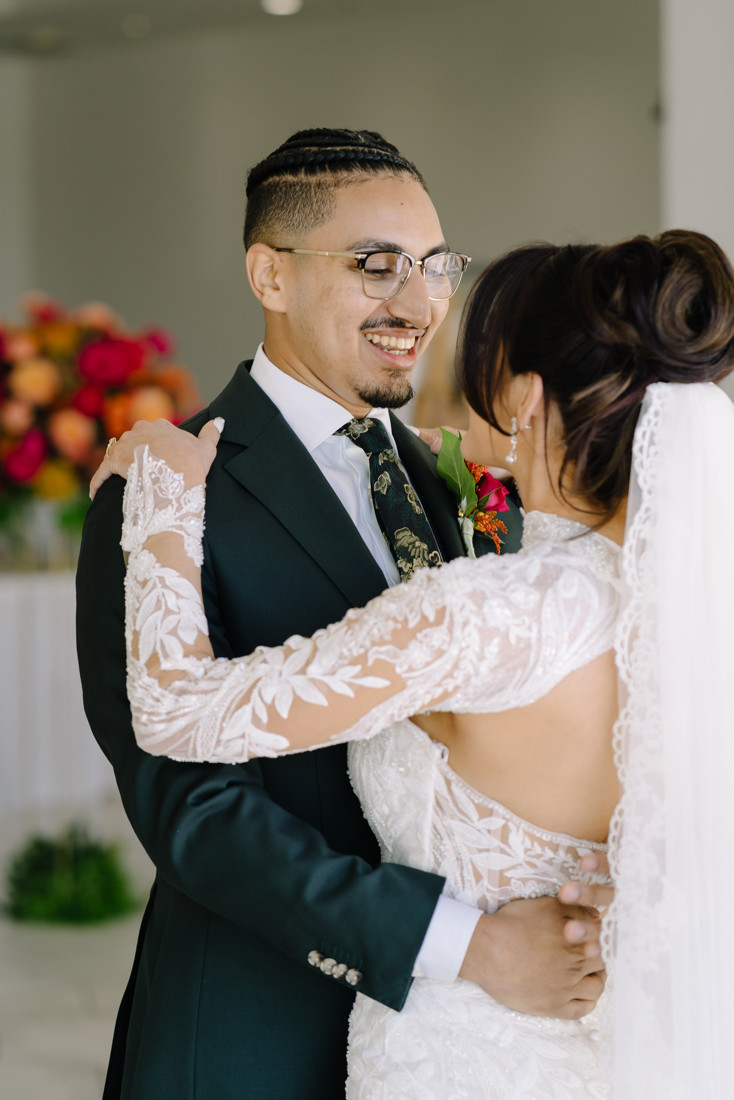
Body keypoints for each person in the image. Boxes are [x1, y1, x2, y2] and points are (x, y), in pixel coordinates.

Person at [93, 227, 734, 1097]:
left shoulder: (489, 615)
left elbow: (174, 709)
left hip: (455, 1060)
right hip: (598, 1054)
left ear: (523, 394)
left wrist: (164, 498)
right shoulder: (698, 614)